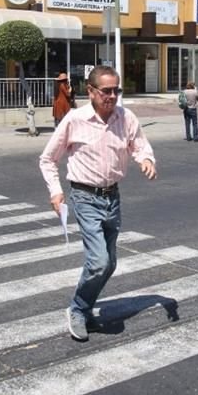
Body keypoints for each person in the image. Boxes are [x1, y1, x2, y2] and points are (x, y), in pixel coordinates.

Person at [39, 66, 157, 341]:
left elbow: (139, 145)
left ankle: (86, 306)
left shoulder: (125, 118)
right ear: (91, 92)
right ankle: (78, 309)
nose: (112, 96)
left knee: (110, 263)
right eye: (106, 91)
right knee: (99, 261)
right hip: (84, 196)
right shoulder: (75, 120)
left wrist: (146, 160)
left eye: (117, 90)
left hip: (112, 197)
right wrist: (56, 192)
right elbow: (48, 159)